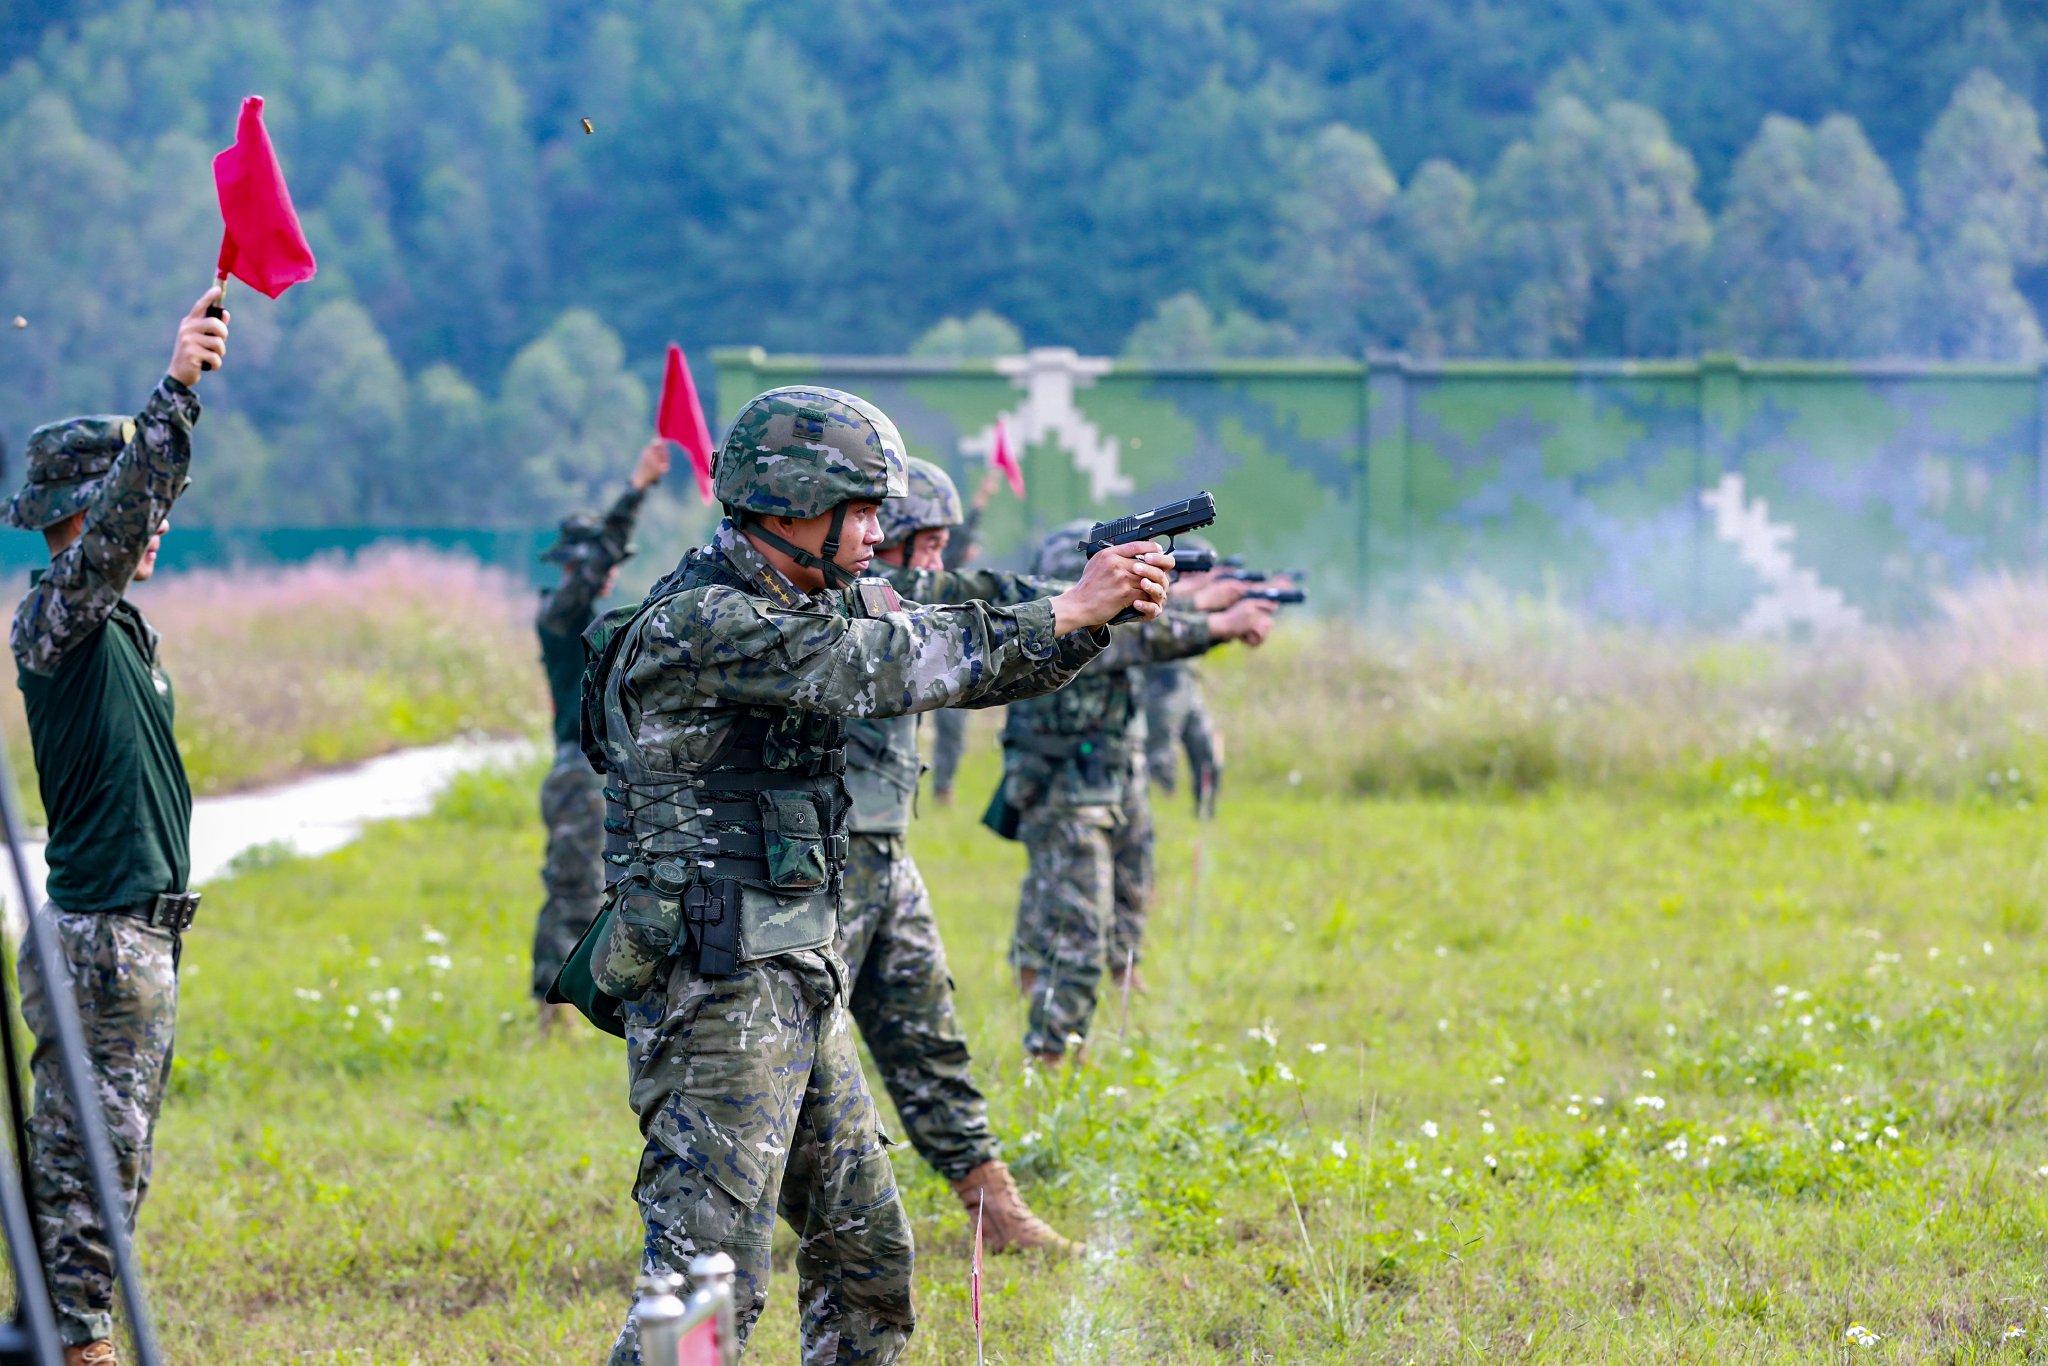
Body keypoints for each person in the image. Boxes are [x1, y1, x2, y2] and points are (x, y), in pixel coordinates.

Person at [572, 388, 1170, 1364]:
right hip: (716, 989)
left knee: (866, 1262)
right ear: (792, 504)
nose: (878, 532)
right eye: (861, 510)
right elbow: (883, 665)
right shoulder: (710, 622)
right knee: (703, 1295)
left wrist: (1084, 610)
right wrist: (1068, 609)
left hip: (792, 974)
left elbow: (952, 617)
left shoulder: (806, 593)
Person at [6, 287, 228, 1365]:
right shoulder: (61, 615)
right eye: (132, 509)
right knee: (89, 1157)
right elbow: (127, 518)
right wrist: (177, 389)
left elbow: (134, 513)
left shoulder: (115, 628)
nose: (156, 526)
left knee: (109, 1156)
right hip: (102, 938)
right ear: (81, 515)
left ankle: (64, 1331)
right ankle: (79, 1345)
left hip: (133, 936)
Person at [846, 459, 1074, 1255]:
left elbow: (971, 592)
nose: (938, 562)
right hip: (809, 874)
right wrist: (1072, 603)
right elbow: (955, 606)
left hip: (881, 859)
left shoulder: (908, 593)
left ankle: (998, 1212)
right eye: (928, 543)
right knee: (783, 1067)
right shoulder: (850, 609)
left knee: (927, 1036)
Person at [1002, 520, 1274, 1066]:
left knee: (1115, 896)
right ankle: (1052, 1054)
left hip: (1105, 780)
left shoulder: (1099, 627)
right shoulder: (1067, 630)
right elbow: (1147, 640)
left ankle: (1069, 1029)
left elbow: (1153, 631)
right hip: (1066, 788)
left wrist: (1207, 606)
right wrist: (1219, 620)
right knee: (1079, 925)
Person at [531, 437, 669, 1032]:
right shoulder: (560, 614)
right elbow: (593, 567)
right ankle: (549, 1012)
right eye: (600, 562)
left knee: (602, 889)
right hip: (575, 777)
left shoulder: (595, 623)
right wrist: (636, 490)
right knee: (572, 888)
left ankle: (586, 1006)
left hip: (603, 776)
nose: (611, 572)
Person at [926, 462, 1003, 805]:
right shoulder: (947, 569)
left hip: (947, 652)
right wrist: (984, 498)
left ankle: (943, 787)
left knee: (952, 732)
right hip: (936, 650)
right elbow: (966, 529)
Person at [1143, 533, 1226, 815]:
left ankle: (1204, 810)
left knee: (1207, 753)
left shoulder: (1190, 598)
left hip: (1185, 685)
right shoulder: (1157, 593)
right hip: (1160, 687)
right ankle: (1159, 811)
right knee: (1159, 760)